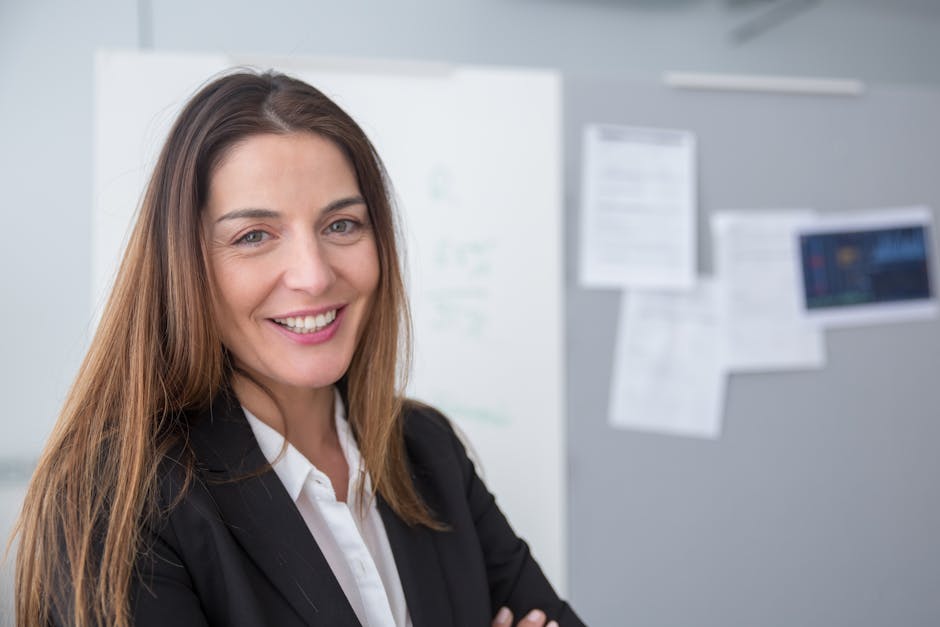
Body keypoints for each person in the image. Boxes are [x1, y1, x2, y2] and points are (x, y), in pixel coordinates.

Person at [13, 70, 585, 627]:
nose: (313, 276)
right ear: (186, 269)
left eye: (341, 225)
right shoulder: (121, 502)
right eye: (254, 236)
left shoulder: (425, 451)